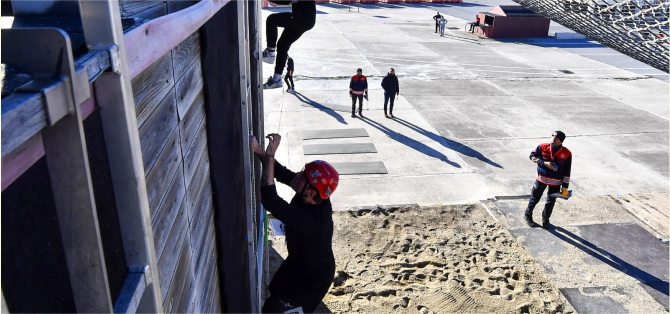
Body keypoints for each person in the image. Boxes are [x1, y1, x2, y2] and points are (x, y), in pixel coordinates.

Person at [250, 133, 339, 314]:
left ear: (311, 192)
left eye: (303, 176)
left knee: (272, 309)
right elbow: (282, 174)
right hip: (299, 262)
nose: (297, 175)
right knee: (275, 289)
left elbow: (270, 199)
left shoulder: (312, 221)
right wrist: (260, 152)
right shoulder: (314, 194)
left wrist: (269, 156)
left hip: (313, 280)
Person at [262, 0, 316, 89]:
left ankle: (270, 54)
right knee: (282, 45)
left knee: (272, 19)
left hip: (302, 19)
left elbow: (286, 1)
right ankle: (277, 79)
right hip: (304, 19)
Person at [524, 131, 572, 228]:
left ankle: (545, 219)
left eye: (557, 137)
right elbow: (532, 156)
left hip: (555, 183)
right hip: (541, 179)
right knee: (535, 198)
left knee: (551, 201)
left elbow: (567, 172)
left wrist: (565, 188)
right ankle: (528, 215)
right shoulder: (542, 146)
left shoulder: (566, 153)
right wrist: (543, 163)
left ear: (561, 140)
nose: (553, 138)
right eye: (553, 136)